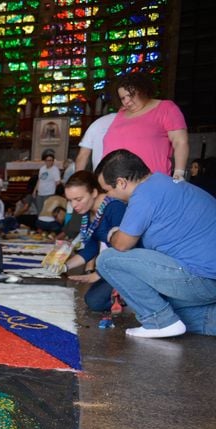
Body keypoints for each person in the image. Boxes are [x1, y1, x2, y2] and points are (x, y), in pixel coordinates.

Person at [94, 149, 216, 338]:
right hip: (207, 280)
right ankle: (208, 319)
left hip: (201, 279)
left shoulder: (144, 195)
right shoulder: (164, 183)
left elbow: (122, 245)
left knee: (107, 260)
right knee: (144, 298)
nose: (108, 196)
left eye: (108, 190)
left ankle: (159, 322)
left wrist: (112, 234)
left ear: (121, 183)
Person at [60, 170, 128, 313]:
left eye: (78, 199)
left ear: (94, 193)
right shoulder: (87, 213)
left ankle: (137, 295)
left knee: (96, 301)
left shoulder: (114, 207)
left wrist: (98, 274)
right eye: (70, 200)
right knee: (93, 301)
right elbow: (91, 248)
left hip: (128, 264)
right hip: (112, 265)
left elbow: (126, 248)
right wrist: (64, 266)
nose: (74, 205)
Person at [102, 72, 189, 178]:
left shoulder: (166, 108)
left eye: (131, 95)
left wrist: (179, 174)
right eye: (123, 98)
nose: (127, 101)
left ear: (143, 90)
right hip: (116, 183)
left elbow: (180, 142)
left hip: (151, 181)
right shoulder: (122, 113)